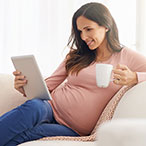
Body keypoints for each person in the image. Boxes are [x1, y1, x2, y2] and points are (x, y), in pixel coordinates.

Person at [1, 2, 146, 146]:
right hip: (50, 108)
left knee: (27, 135)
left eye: (88, 29)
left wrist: (135, 77)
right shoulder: (76, 56)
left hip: (73, 128)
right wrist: (25, 87)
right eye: (80, 31)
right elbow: (48, 86)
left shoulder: (127, 56)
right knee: (33, 106)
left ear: (106, 26)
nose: (83, 37)